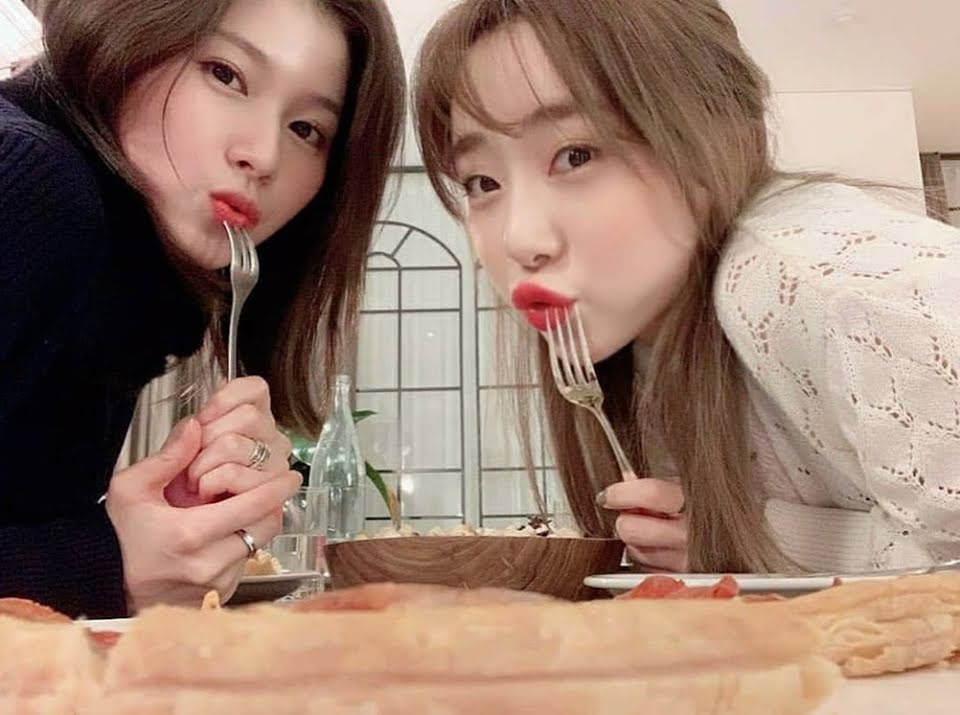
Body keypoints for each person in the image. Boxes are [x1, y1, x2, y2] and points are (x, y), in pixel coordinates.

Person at [412, 0, 960, 575]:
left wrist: (758, 540)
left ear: (719, 136)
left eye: (575, 156)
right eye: (482, 183)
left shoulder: (842, 287)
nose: (520, 240)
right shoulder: (642, 340)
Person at [0, 0, 404, 617]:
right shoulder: (31, 184)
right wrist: (104, 563)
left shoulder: (130, 280)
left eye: (306, 130)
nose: (263, 155)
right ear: (130, 37)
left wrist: (162, 532)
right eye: (225, 74)